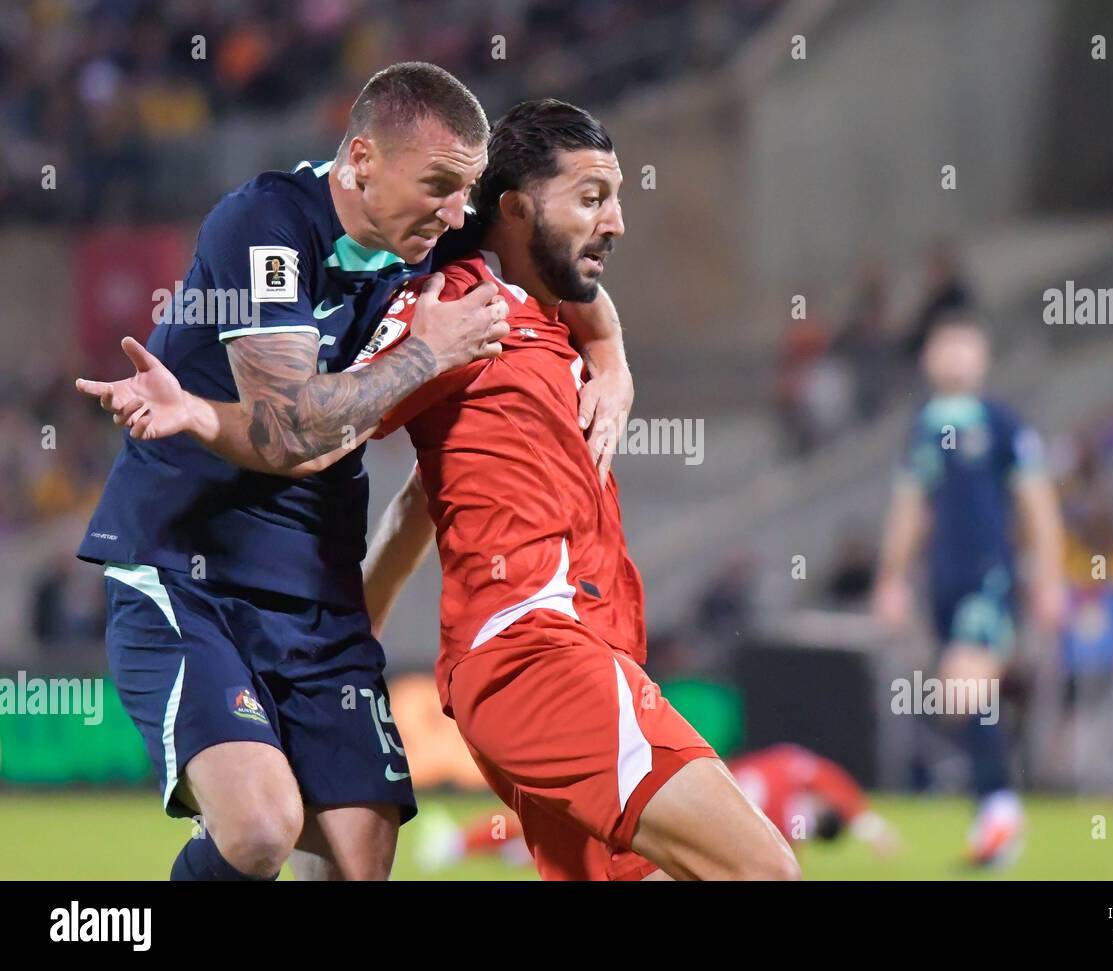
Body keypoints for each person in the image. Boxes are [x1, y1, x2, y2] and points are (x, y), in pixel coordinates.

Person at [73, 63, 634, 882]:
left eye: (467, 192)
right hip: (186, 568)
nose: (456, 214)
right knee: (262, 828)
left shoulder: (438, 223)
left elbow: (552, 256)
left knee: (359, 859)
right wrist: (427, 353)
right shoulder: (265, 225)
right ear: (361, 160)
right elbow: (289, 429)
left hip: (315, 586)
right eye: (440, 186)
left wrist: (611, 358)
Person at [358, 99, 800, 880]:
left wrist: (615, 359)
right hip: (535, 650)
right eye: (592, 198)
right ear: (515, 208)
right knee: (762, 871)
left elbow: (422, 504)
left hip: (576, 651)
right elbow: (329, 424)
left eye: (618, 196)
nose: (618, 221)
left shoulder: (547, 316)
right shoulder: (454, 311)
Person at [873, 314, 1066, 867]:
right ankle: (995, 811)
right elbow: (910, 509)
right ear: (927, 357)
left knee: (963, 687)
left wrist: (1049, 581)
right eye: (945, 346)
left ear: (983, 357)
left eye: (966, 346)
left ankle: (1001, 812)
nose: (955, 356)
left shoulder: (1001, 422)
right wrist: (891, 579)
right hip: (943, 584)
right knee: (960, 699)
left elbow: (1038, 505)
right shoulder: (924, 426)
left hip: (989, 576)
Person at [412, 743, 898, 873]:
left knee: (558, 819)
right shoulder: (784, 815)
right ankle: (457, 844)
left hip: (685, 797)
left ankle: (463, 845)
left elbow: (828, 781)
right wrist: (869, 823)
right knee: (562, 815)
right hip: (682, 801)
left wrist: (868, 822)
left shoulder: (791, 780)